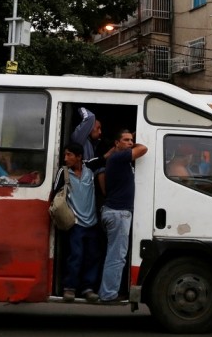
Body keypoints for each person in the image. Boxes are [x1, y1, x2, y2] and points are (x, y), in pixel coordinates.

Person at [98, 129, 147, 303]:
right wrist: (143, 136)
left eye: (131, 140)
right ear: (116, 144)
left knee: (115, 254)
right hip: (118, 214)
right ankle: (108, 294)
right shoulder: (118, 158)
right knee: (116, 256)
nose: (130, 143)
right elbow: (144, 149)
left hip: (116, 212)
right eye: (125, 140)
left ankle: (107, 291)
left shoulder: (119, 159)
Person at [49, 142, 101, 303]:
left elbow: (106, 158)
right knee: (75, 256)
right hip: (76, 223)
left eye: (69, 155)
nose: (66, 158)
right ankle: (69, 288)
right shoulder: (63, 173)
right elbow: (54, 195)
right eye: (65, 155)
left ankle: (88, 288)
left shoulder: (90, 169)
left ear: (79, 157)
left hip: (92, 222)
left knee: (92, 256)